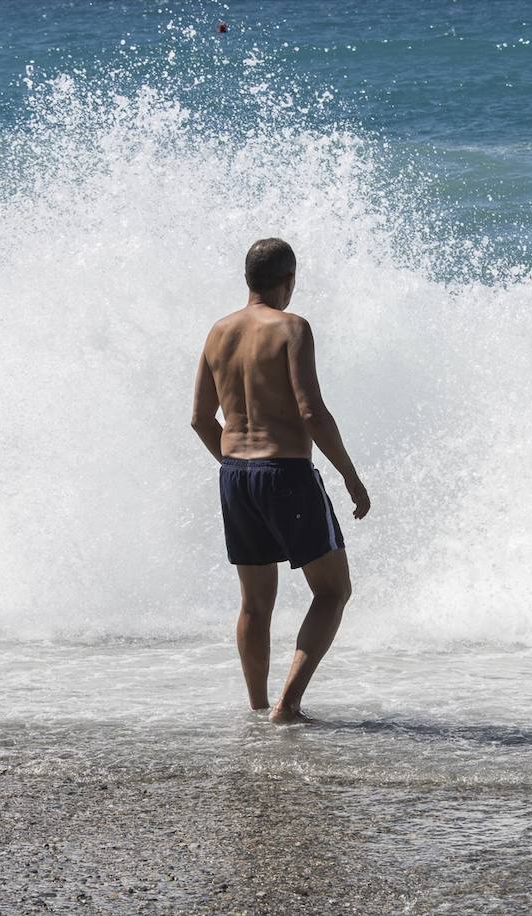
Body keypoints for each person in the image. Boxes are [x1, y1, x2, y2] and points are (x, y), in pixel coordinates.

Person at [191, 238, 370, 723]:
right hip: (286, 473)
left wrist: (236, 466)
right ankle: (286, 705)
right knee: (333, 591)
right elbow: (311, 412)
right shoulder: (292, 327)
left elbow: (201, 420)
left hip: (235, 476)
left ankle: (255, 707)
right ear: (288, 281)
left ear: (248, 279)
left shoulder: (217, 332)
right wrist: (351, 477)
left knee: (255, 603)